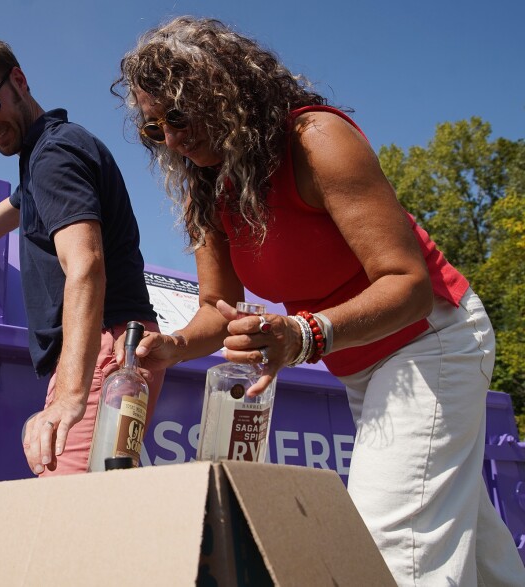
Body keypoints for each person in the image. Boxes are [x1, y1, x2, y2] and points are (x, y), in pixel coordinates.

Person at [112, 16, 525, 586]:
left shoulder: (315, 140)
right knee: (472, 550)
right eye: (155, 130)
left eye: (178, 115)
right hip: (362, 364)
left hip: (431, 343)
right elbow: (218, 307)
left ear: (225, 90)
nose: (173, 139)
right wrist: (173, 347)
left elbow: (408, 284)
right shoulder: (208, 190)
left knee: (391, 549)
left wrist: (301, 334)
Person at [0, 34, 165, 477]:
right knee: (84, 509)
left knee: (65, 514)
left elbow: (85, 264)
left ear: (18, 80)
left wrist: (70, 397)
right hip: (104, 350)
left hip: (103, 351)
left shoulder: (53, 156)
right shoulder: (43, 159)